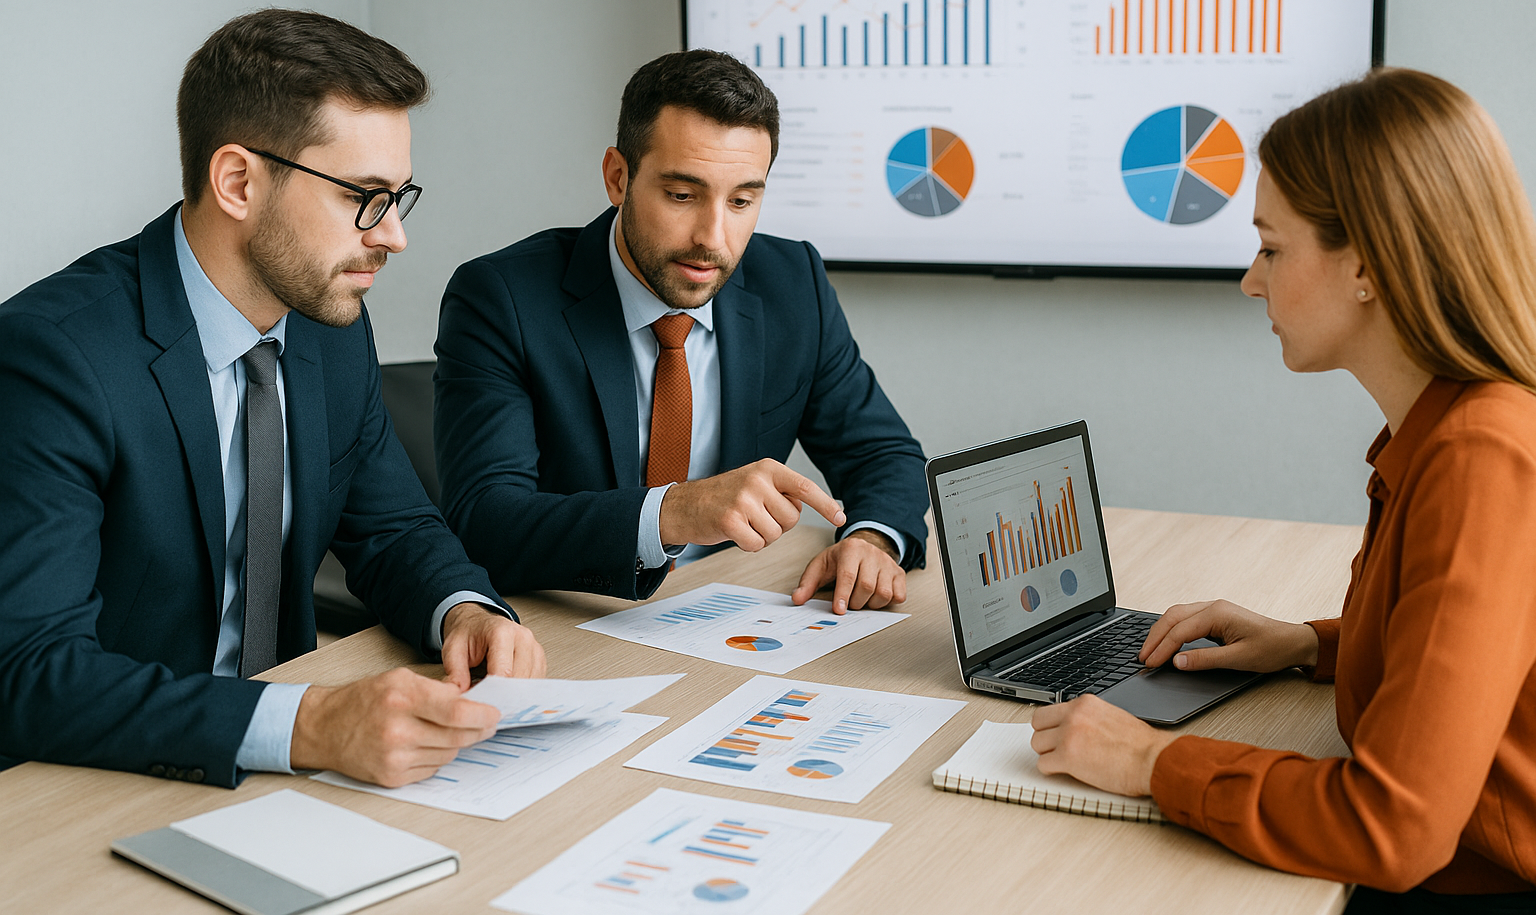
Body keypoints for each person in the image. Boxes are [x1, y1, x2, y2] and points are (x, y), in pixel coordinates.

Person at [0, 9, 546, 791]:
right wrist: (314, 724)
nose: (393, 236)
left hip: (284, 772)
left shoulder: (328, 324)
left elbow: (392, 528)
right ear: (238, 182)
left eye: (399, 197)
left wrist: (464, 610)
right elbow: (32, 671)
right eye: (364, 196)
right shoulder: (52, 357)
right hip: (97, 782)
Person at [1028, 69, 1536, 908]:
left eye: (1271, 248)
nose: (1251, 280)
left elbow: (1393, 828)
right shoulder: (1457, 428)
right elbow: (1471, 655)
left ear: (1367, 265)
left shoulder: (1482, 459)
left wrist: (1151, 760)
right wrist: (1305, 644)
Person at [434, 49, 928, 613]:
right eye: (682, 196)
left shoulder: (793, 283)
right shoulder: (502, 298)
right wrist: (674, 512)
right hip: (571, 614)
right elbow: (482, 518)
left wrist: (870, 540)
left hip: (733, 605)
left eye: (741, 201)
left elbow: (883, 453)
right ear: (618, 178)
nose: (713, 238)